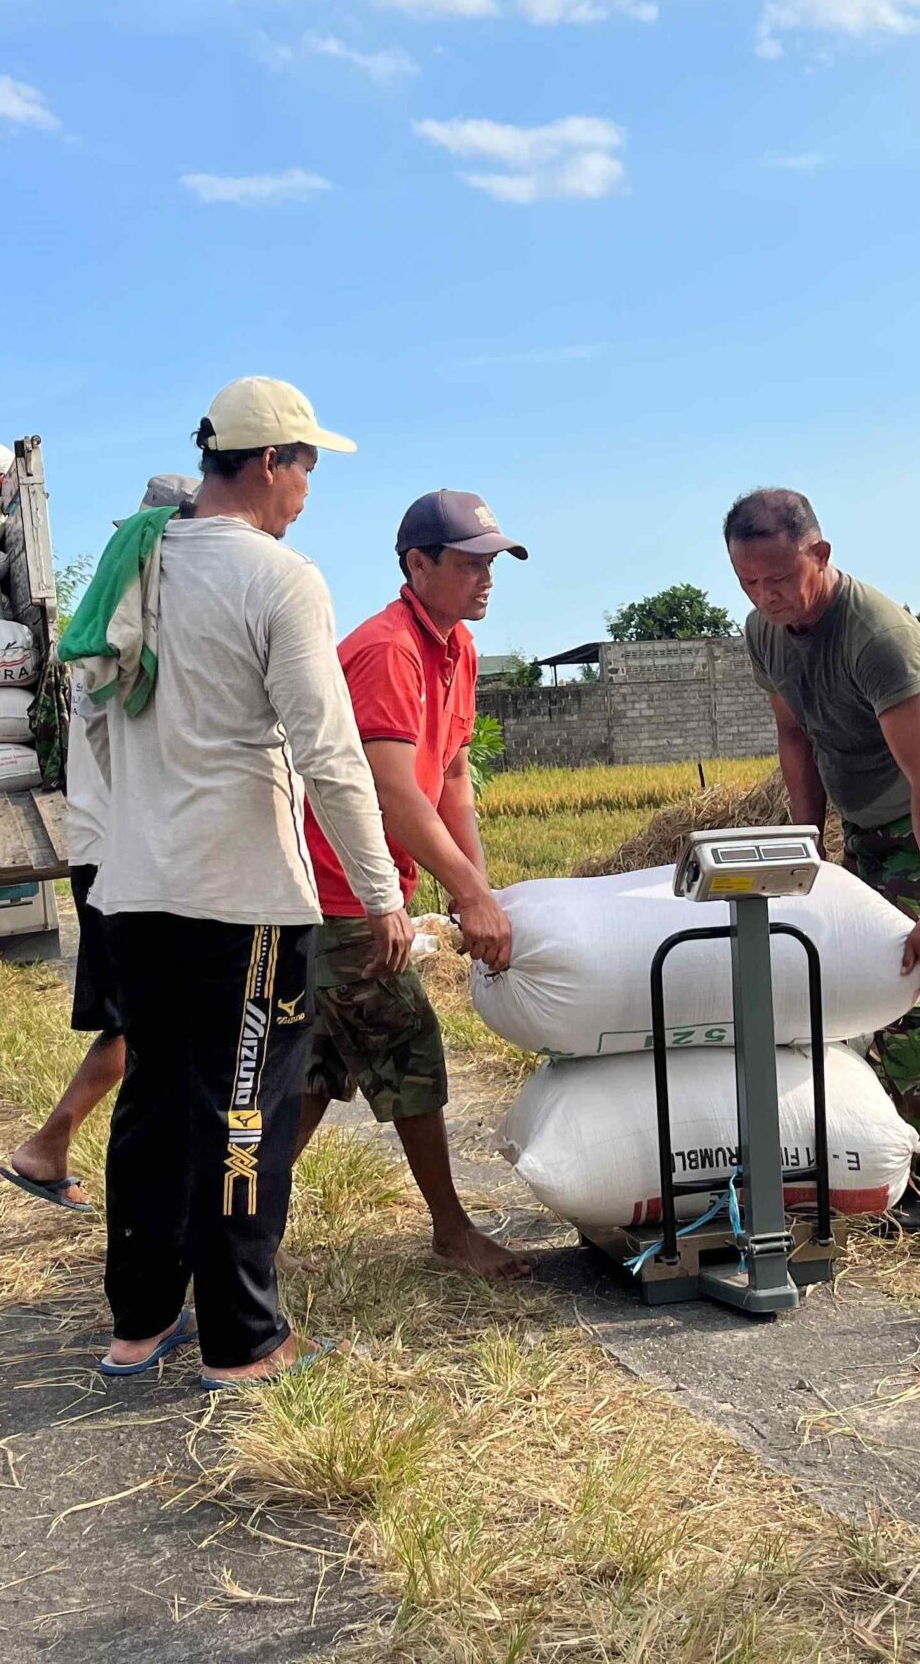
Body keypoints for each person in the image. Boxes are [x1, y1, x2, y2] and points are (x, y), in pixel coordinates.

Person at [75, 380, 409, 1389]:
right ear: (270, 463)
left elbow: (92, 727)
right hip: (244, 899)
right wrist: (380, 889)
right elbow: (329, 749)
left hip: (134, 887)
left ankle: (137, 1322)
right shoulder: (279, 577)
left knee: (153, 1100)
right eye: (306, 468)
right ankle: (242, 1337)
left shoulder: (133, 565)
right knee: (243, 1110)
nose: (307, 491)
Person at [725, 489, 920, 1179]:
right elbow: (794, 733)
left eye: (780, 578)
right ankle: (893, 1153)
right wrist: (804, 841)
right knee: (858, 980)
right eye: (748, 581)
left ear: (819, 555)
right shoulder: (763, 632)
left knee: (910, 990)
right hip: (869, 822)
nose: (766, 595)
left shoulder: (878, 637)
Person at [291, 490, 531, 1281]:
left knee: (317, 1073)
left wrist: (478, 883)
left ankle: (226, 1230)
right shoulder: (389, 650)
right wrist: (466, 895)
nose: (485, 578)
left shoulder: (454, 648)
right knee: (408, 1042)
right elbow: (395, 791)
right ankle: (451, 1229)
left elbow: (452, 777)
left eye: (491, 562)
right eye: (468, 563)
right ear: (416, 564)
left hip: (364, 890)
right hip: (337, 889)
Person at [0, 473, 199, 1215]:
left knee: (139, 1026)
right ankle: (49, 1146)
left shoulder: (109, 613)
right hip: (121, 849)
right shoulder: (129, 622)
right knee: (137, 1026)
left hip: (109, 842)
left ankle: (53, 1148)